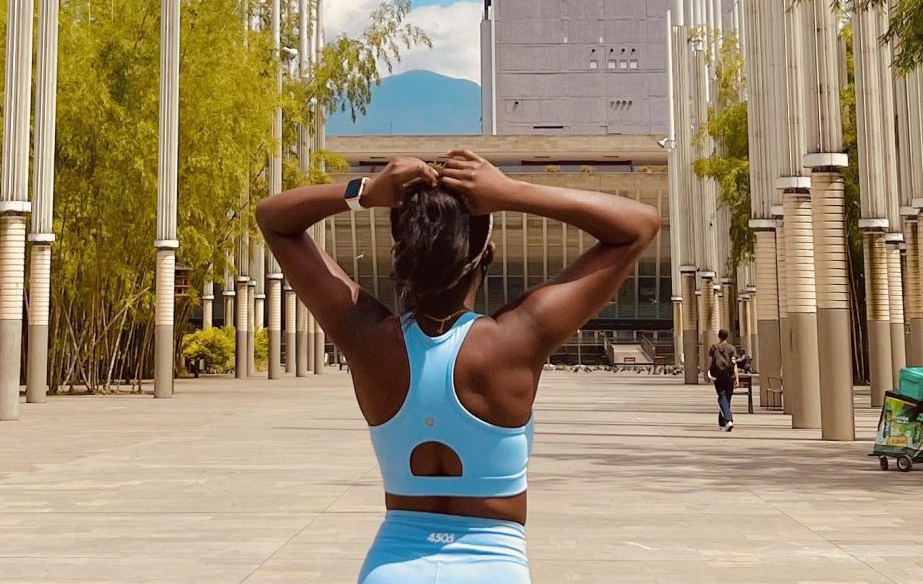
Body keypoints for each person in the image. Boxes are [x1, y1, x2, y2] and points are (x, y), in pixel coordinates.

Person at [259, 149, 659, 584]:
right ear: (484, 257)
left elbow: (274, 220)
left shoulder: (369, 338)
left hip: (390, 569)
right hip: (493, 568)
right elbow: (638, 225)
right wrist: (511, 192)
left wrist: (367, 191)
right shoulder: (516, 339)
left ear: (400, 254)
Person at [706, 330, 739, 432]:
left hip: (718, 375)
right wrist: (737, 378)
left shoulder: (713, 347)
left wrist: (707, 373)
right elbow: (734, 364)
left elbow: (711, 362)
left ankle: (726, 421)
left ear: (719, 336)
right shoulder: (732, 348)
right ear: (727, 337)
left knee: (722, 397)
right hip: (729, 375)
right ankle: (725, 421)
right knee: (726, 398)